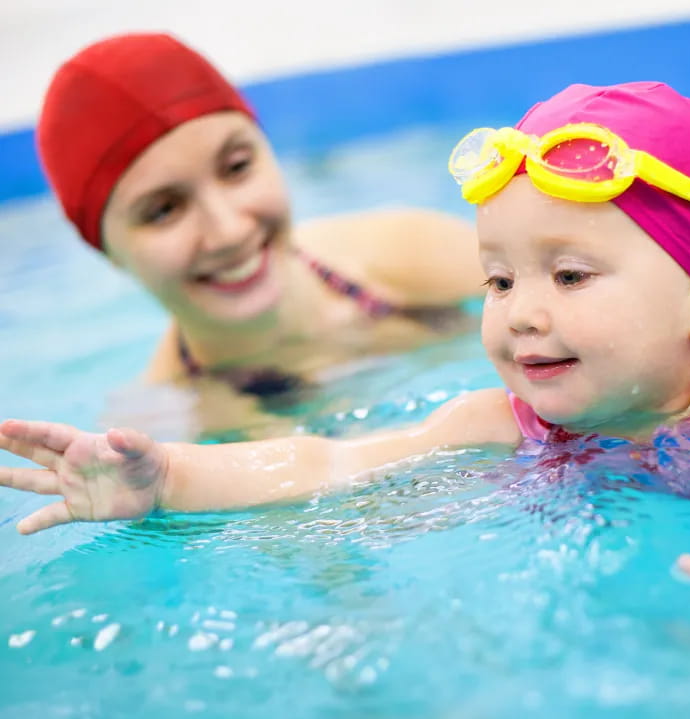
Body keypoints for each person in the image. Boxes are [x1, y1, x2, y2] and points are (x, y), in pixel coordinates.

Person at [1, 82, 690, 622]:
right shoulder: (498, 420)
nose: (519, 316)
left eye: (571, 276)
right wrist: (170, 483)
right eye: (499, 281)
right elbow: (329, 462)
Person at [35, 32, 485, 431]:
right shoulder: (163, 432)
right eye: (164, 210)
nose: (228, 231)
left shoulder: (417, 252)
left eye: (237, 167)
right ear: (107, 251)